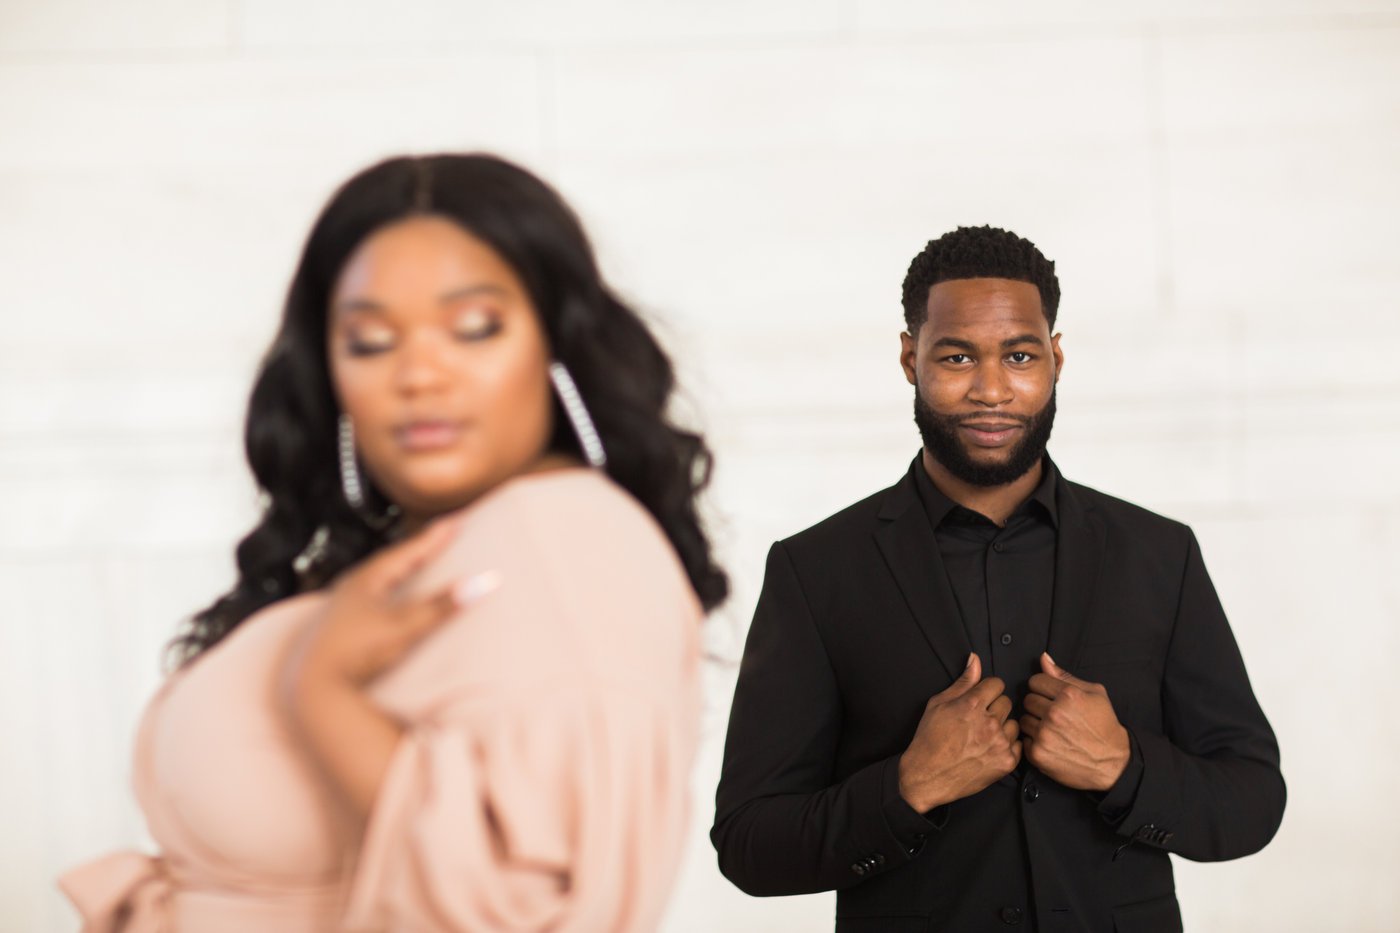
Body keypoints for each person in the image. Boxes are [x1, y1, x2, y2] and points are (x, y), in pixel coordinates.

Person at [60, 153, 727, 932]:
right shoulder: (451, 544)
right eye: (371, 341)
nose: (419, 373)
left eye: (475, 328)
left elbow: (533, 912)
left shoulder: (561, 539)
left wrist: (324, 690)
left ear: (556, 350)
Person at [711, 225, 1283, 932]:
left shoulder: (1158, 554)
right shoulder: (816, 570)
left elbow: (1253, 799)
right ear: (908, 358)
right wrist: (907, 787)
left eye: (1019, 355)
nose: (991, 389)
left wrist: (1124, 767)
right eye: (956, 356)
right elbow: (747, 842)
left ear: (1056, 358)